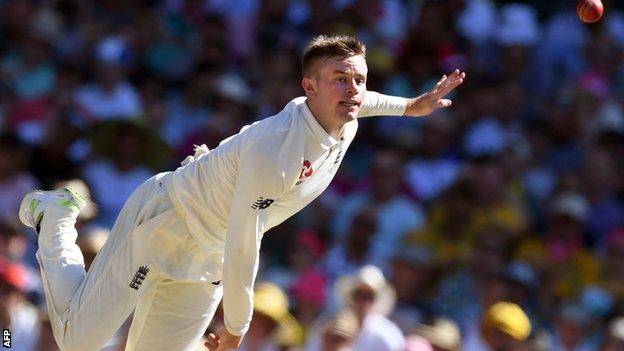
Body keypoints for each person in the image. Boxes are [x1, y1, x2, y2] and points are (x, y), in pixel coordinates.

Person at [17, 35, 464, 351]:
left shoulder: (343, 112)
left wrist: (410, 106)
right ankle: (56, 216)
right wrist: (236, 326)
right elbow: (244, 242)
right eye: (340, 79)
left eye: (359, 80)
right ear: (309, 87)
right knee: (78, 341)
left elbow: (366, 102)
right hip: (168, 221)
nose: (354, 91)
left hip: (208, 257)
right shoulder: (279, 153)